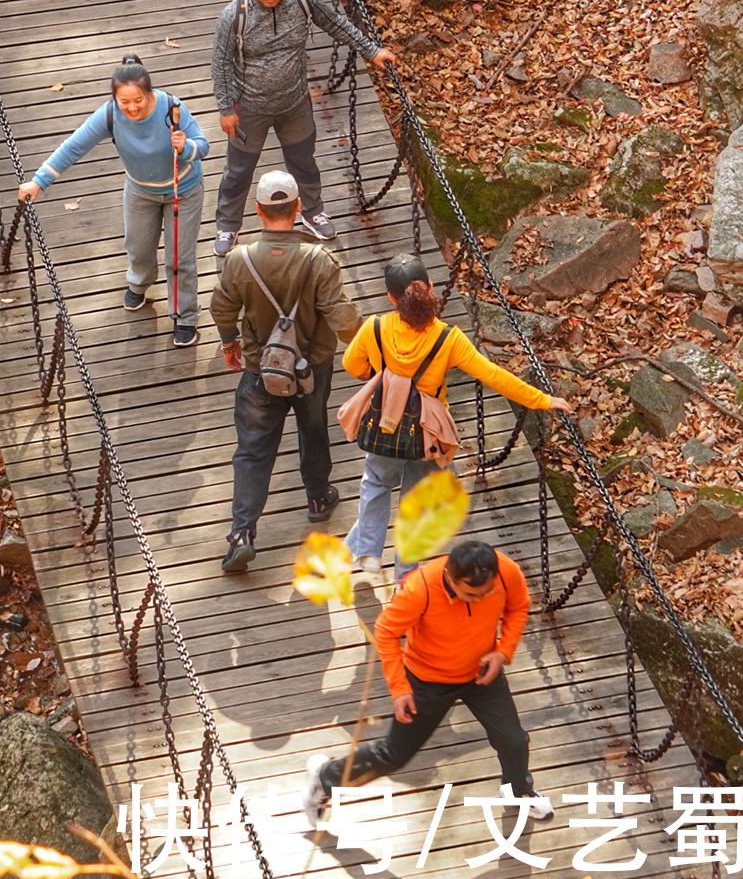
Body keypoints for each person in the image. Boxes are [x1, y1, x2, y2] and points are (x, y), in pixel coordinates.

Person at [340, 255, 572, 582]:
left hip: (385, 425)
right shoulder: (447, 338)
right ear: (431, 288)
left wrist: (380, 374)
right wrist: (542, 400)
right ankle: (406, 575)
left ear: (390, 297)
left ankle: (367, 553)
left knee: (376, 482)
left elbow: (352, 366)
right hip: (428, 433)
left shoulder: (375, 328)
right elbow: (492, 374)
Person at [303, 539, 555, 826]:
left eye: (488, 592)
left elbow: (518, 606)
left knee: (513, 740)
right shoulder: (420, 589)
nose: (482, 599)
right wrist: (400, 689)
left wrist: (503, 651)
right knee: (394, 755)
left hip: (483, 671)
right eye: (473, 594)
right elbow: (385, 632)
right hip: (428, 681)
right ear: (450, 576)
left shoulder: (506, 571)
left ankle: (518, 791)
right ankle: (326, 778)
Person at [209, 170, 359, 571]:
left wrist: (230, 343)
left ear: (257, 211)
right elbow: (341, 316)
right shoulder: (320, 260)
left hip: (262, 370)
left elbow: (222, 307)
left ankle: (242, 533)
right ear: (297, 208)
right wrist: (367, 349)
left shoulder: (239, 260)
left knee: (253, 451)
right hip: (313, 368)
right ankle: (317, 497)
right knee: (313, 429)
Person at [208, 0, 397, 255]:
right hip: (250, 108)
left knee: (304, 163)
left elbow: (336, 24)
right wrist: (226, 108)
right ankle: (228, 227)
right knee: (239, 170)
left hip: (294, 102)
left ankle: (312, 212)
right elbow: (220, 63)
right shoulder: (235, 15)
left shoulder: (303, 1)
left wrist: (371, 51)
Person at [19, 55, 210, 347]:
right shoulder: (109, 115)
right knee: (138, 245)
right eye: (124, 101)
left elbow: (204, 146)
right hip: (140, 190)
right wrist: (39, 181)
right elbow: (73, 146)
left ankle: (184, 316)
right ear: (115, 99)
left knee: (179, 258)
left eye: (139, 100)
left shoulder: (172, 108)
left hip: (182, 190)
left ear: (150, 93)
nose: (132, 107)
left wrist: (186, 147)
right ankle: (139, 283)